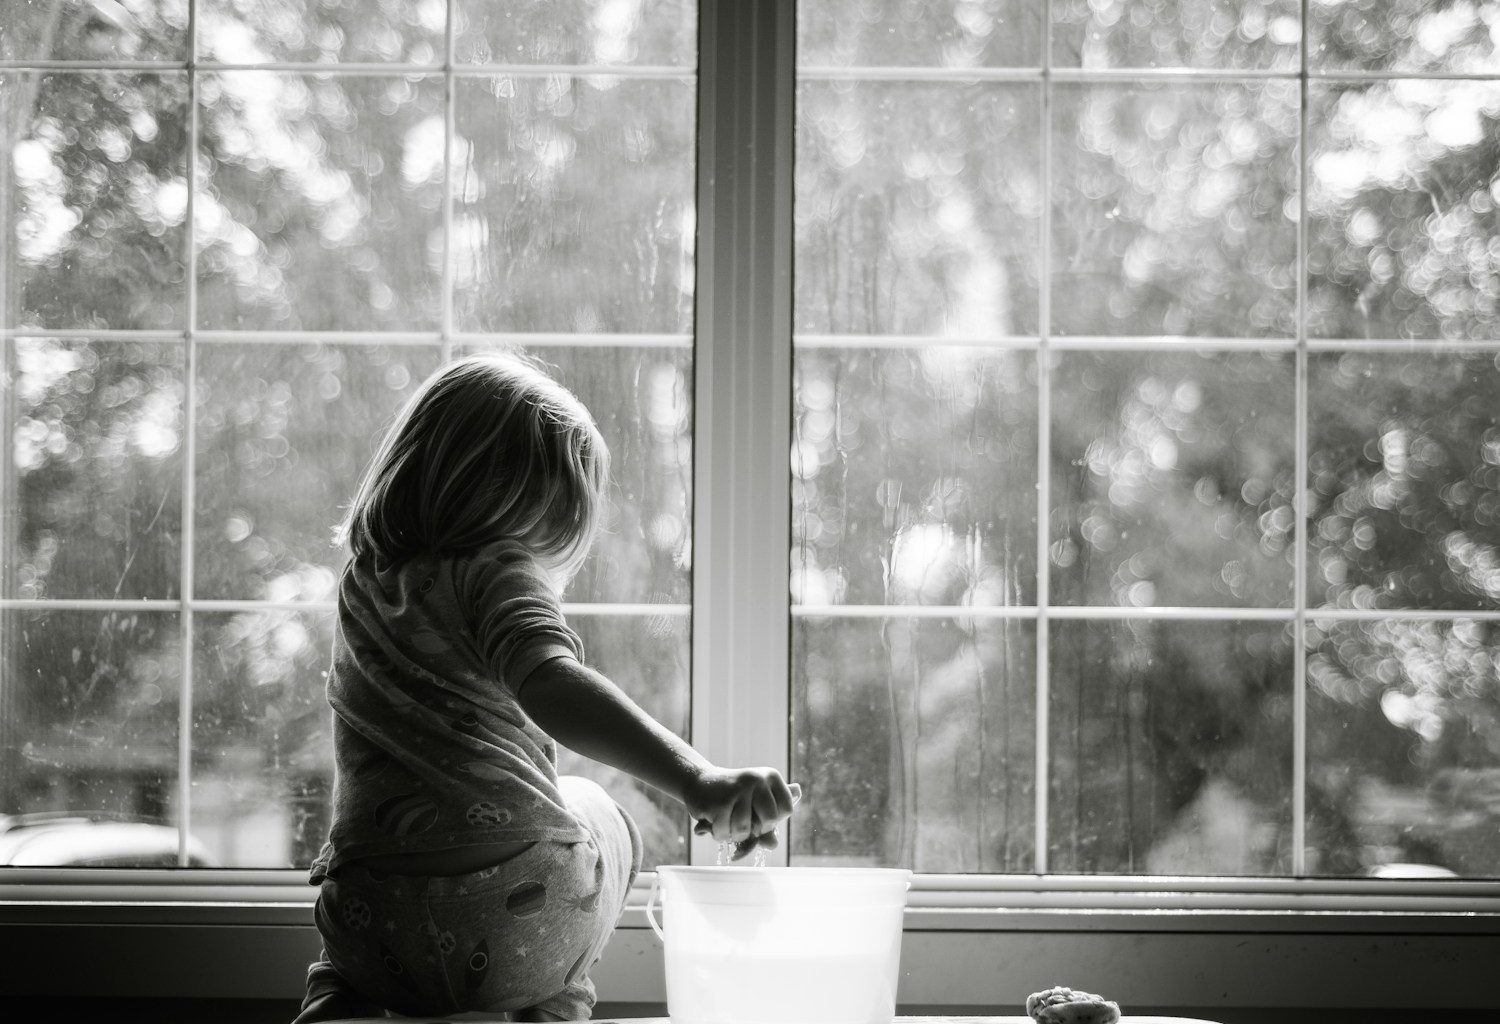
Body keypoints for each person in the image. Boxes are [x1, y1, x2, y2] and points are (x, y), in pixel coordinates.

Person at [294, 352, 799, 1023]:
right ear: (533, 503)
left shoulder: (365, 581)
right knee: (597, 808)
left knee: (351, 922)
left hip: (372, 922)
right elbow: (552, 684)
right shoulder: (497, 567)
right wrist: (697, 779)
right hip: (515, 917)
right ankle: (555, 1003)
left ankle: (336, 1004)